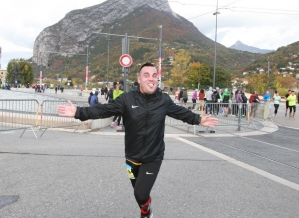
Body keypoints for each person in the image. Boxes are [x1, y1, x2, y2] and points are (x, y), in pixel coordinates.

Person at [57, 63, 218, 218]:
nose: (151, 79)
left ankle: (146, 211)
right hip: (132, 157)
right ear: (139, 79)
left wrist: (198, 119)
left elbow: (181, 113)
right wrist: (78, 112)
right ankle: (145, 206)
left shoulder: (163, 100)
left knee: (140, 193)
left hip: (153, 157)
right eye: (146, 75)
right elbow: (103, 110)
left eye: (154, 76)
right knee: (139, 194)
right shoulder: (127, 100)